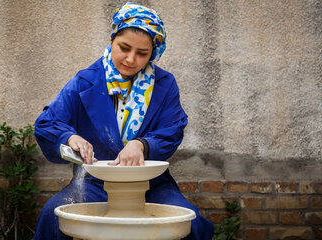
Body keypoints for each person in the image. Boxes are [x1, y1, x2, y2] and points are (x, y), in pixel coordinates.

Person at [34, 2, 214, 240]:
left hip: (151, 185)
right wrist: (69, 137)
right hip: (93, 184)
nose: (130, 59)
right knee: (53, 216)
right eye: (124, 48)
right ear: (112, 40)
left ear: (154, 53)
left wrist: (141, 144)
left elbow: (173, 129)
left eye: (142, 53)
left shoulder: (165, 84)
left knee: (190, 222)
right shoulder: (85, 81)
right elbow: (46, 124)